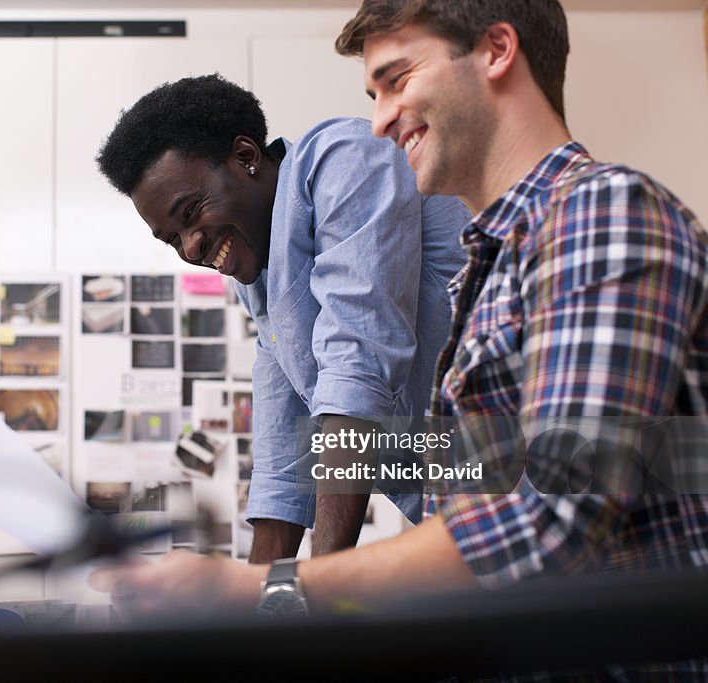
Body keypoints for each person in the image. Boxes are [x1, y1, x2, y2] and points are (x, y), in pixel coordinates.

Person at [92, 1, 708, 670]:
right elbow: (296, 448)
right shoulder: (488, 265)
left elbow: (555, 517)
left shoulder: (602, 212)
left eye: (398, 79)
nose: (381, 118)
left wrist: (272, 592)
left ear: (498, 51)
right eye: (373, 94)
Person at [96, 74, 470, 561]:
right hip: (467, 512)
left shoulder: (345, 157)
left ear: (247, 157)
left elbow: (357, 370)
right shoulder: (259, 279)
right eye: (172, 239)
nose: (190, 247)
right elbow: (283, 464)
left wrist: (316, 593)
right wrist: (262, 608)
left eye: (191, 213)